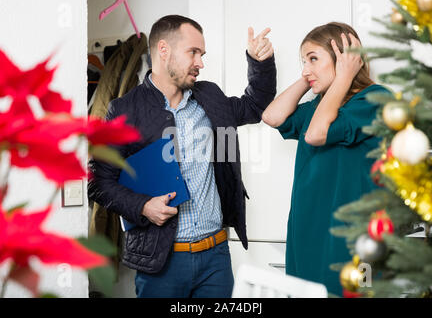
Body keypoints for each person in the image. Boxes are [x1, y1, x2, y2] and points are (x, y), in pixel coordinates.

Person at [88, 15, 276, 298]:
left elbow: (254, 105)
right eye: (194, 53)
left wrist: (259, 63)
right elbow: (99, 183)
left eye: (202, 54)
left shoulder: (210, 96)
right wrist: (143, 206)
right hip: (160, 261)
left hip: (216, 257)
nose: (201, 62)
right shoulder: (124, 111)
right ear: (164, 50)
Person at [262, 22, 389, 296]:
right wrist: (308, 76)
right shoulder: (318, 107)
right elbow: (272, 116)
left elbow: (316, 135)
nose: (306, 68)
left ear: (345, 58)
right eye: (303, 61)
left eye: (313, 58)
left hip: (352, 241)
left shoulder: (374, 100)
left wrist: (343, 76)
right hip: (307, 232)